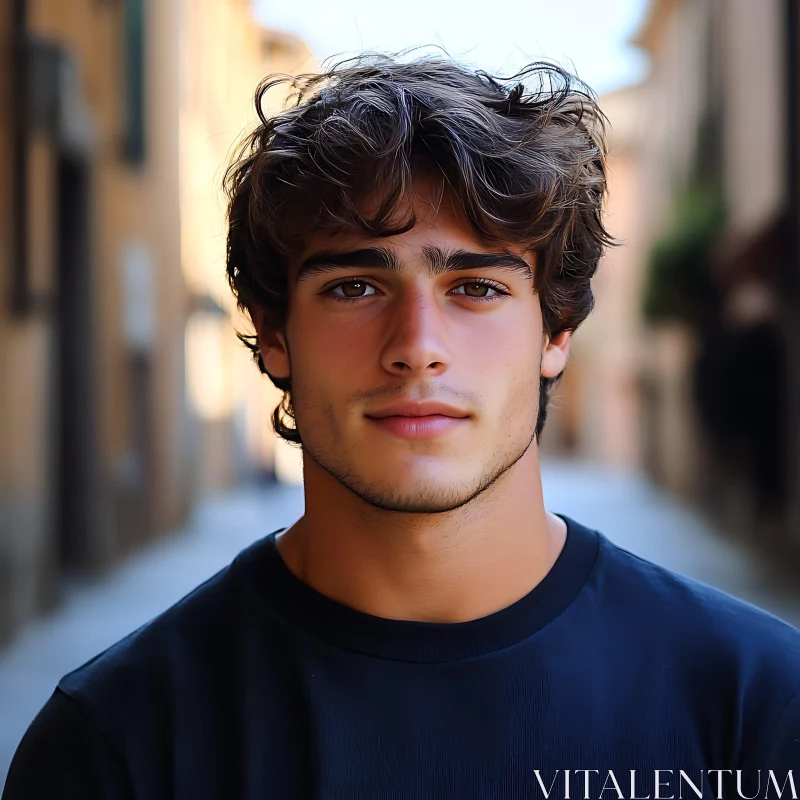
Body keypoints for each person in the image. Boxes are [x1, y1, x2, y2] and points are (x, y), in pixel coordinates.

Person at [4, 54, 800, 800]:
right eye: (354, 287)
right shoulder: (116, 747)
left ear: (556, 331)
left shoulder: (757, 707)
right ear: (274, 334)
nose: (417, 348)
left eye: (477, 288)